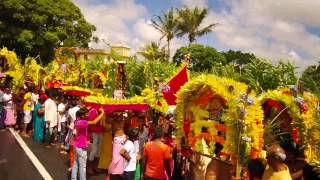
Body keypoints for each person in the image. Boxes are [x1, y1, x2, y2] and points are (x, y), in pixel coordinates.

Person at [71, 108, 105, 180]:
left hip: (77, 145)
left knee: (76, 164)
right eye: (86, 114)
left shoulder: (77, 121)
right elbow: (94, 122)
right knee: (82, 166)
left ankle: (73, 178)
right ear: (82, 116)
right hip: (81, 146)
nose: (88, 115)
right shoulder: (82, 122)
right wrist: (102, 113)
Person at [108, 113, 127, 180]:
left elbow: (126, 119)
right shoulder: (113, 122)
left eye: (121, 116)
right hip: (116, 143)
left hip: (122, 142)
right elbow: (108, 120)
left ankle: (120, 171)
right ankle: (115, 171)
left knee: (122, 158)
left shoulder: (123, 122)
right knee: (115, 158)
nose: (120, 117)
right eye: (118, 116)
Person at [87, 107, 104, 173]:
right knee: (93, 150)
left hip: (101, 132)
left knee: (99, 151)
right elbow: (91, 123)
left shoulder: (103, 110)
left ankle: (96, 166)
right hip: (94, 132)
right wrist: (90, 134)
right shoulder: (93, 111)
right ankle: (89, 167)